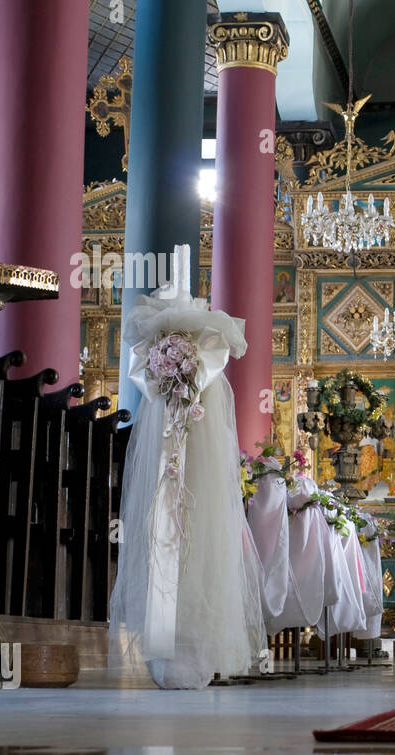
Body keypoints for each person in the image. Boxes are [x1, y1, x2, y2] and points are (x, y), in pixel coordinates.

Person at [109, 245, 265, 688]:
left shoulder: (209, 346)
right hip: (167, 442)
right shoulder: (161, 342)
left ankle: (197, 646)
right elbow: (151, 384)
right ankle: (164, 645)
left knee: (201, 535)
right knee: (163, 527)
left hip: (196, 447)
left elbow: (207, 374)